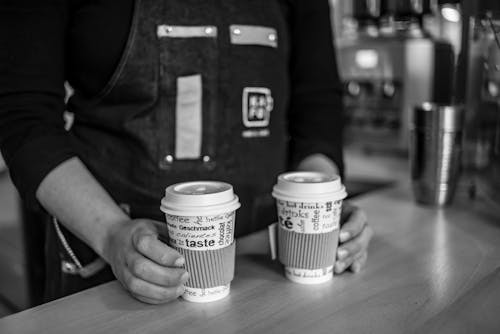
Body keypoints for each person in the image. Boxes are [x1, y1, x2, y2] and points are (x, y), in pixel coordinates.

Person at [0, 0, 373, 304]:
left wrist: (321, 197)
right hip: (104, 260)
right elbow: (23, 118)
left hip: (266, 265)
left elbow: (317, 104)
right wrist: (113, 235)